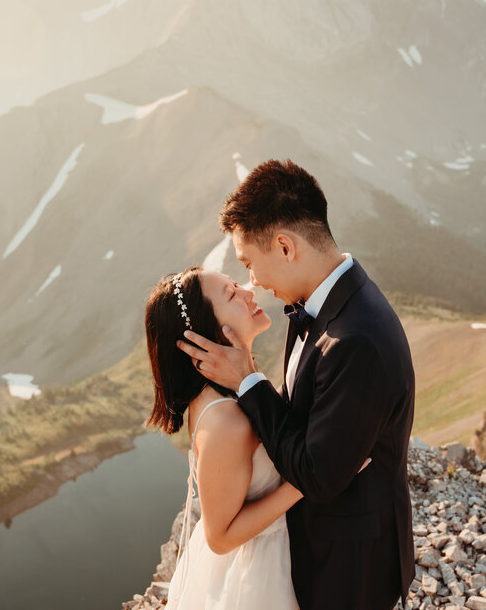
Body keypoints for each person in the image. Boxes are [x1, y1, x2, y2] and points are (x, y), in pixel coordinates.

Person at [178, 159, 416, 610]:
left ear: (285, 246)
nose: (254, 283)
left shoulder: (356, 340)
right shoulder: (323, 300)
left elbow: (318, 477)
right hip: (316, 550)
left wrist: (248, 382)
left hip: (349, 563)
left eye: (250, 263)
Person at [145, 266, 301, 609]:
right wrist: (306, 480)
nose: (249, 292)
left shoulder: (227, 389)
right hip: (255, 573)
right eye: (232, 293)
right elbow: (220, 537)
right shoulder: (226, 420)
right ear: (209, 332)